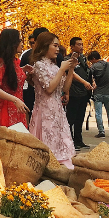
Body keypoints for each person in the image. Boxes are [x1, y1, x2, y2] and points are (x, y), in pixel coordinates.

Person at [30, 32, 78, 168]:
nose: (58, 49)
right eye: (55, 45)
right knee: (48, 149)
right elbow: (49, 89)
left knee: (63, 147)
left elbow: (65, 88)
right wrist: (62, 69)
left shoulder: (55, 66)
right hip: (44, 112)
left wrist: (71, 69)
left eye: (58, 46)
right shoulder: (39, 65)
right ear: (45, 46)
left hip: (58, 111)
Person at [0, 28, 29, 128]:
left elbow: (11, 78)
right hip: (6, 110)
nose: (21, 43)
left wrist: (23, 70)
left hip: (18, 108)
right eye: (19, 41)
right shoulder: (1, 62)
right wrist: (15, 100)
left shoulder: (15, 62)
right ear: (12, 43)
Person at [64, 37, 93, 149]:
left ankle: (78, 140)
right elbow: (71, 74)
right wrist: (84, 82)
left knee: (80, 118)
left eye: (82, 44)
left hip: (83, 93)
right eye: (78, 44)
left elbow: (87, 71)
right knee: (71, 118)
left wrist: (91, 82)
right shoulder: (68, 59)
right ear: (72, 46)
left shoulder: (83, 58)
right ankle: (69, 141)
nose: (81, 47)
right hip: (73, 92)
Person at [89, 51, 109, 138]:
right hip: (108, 93)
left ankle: (101, 131)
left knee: (98, 113)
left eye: (91, 61)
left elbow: (88, 76)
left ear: (94, 59)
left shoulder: (94, 66)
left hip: (98, 93)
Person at [20, 28, 48, 113]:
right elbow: (22, 75)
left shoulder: (55, 56)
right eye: (31, 43)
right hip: (30, 93)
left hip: (49, 97)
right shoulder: (26, 55)